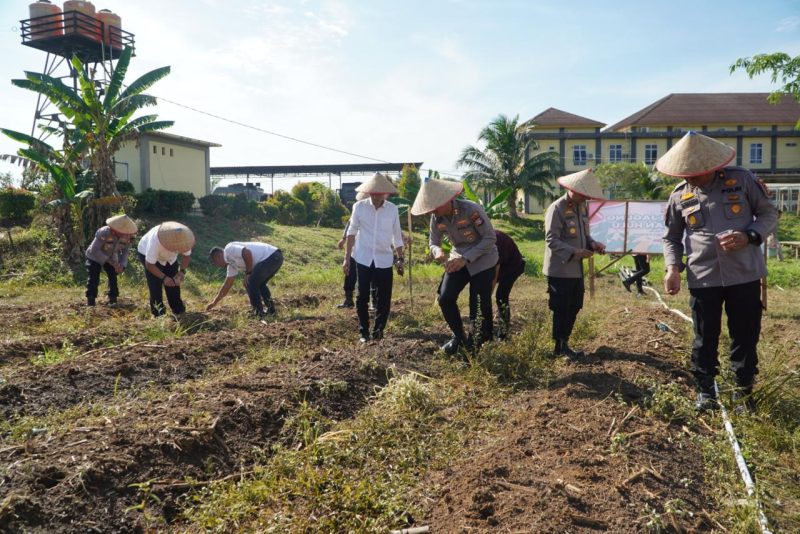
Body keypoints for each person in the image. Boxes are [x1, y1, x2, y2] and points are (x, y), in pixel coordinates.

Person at [660, 131, 778, 411]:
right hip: (703, 277)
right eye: (683, 174)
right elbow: (671, 237)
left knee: (745, 334)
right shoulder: (680, 195)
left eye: (694, 173)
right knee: (704, 336)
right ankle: (706, 391)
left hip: (744, 274)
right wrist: (672, 267)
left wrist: (749, 236)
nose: (688, 178)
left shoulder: (742, 180)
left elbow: (768, 213)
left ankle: (743, 392)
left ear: (710, 167)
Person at [411, 179, 498, 355]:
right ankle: (459, 337)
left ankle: (477, 343)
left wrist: (466, 258)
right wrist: (437, 252)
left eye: (436, 207)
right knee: (445, 298)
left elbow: (490, 238)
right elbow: (433, 242)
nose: (433, 211)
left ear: (447, 200)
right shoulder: (436, 218)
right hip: (457, 259)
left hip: (483, 259)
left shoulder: (471, 210)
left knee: (479, 304)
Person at [543, 169, 606, 358]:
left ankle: (564, 342)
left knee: (575, 305)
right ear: (572, 189)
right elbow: (551, 240)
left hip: (576, 269)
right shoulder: (557, 208)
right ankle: (559, 346)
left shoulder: (581, 207)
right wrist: (576, 252)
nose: (585, 198)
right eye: (583, 194)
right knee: (561, 307)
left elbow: (584, 235)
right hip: (560, 268)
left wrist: (593, 243)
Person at [343, 173, 405, 342]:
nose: (377, 196)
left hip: (384, 259)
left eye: (380, 193)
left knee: (384, 298)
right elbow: (352, 232)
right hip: (363, 257)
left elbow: (397, 236)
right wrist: (347, 257)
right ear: (369, 192)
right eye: (374, 193)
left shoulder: (392, 209)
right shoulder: (359, 207)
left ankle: (378, 332)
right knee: (361, 296)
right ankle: (363, 332)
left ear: (386, 193)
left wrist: (400, 259)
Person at [470, 230, 525, 339]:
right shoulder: (474, 240)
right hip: (496, 266)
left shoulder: (492, 241)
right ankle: (486, 333)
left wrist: (488, 293)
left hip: (513, 267)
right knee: (483, 297)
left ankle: (503, 333)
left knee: (501, 296)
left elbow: (495, 272)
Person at [206, 241, 284, 317]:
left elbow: (246, 252)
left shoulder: (229, 249)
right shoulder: (231, 264)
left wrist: (248, 273)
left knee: (250, 283)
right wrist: (214, 302)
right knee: (260, 284)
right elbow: (227, 285)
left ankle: (258, 313)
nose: (217, 266)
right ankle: (271, 311)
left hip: (271, 256)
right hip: (275, 256)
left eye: (215, 263)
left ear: (217, 256)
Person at [137, 221, 195, 317]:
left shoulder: (184, 239)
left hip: (170, 259)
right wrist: (163, 277)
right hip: (149, 257)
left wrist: (181, 272)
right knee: (155, 285)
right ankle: (158, 314)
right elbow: (149, 264)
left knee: (174, 283)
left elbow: (186, 256)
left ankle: (178, 311)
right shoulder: (155, 241)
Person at [84, 214, 137, 306]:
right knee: (94, 276)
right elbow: (94, 249)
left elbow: (125, 252)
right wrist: (110, 261)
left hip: (112, 256)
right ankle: (91, 300)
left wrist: (122, 265)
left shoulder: (128, 237)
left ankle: (113, 298)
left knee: (113, 275)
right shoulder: (104, 232)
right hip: (95, 256)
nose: (124, 234)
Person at [337, 192, 377, 310]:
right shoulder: (357, 210)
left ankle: (373, 302)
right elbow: (350, 227)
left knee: (371, 277)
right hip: (354, 250)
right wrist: (343, 240)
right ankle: (348, 300)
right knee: (350, 274)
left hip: (368, 251)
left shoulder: (375, 214)